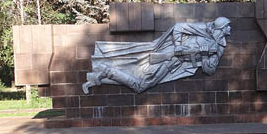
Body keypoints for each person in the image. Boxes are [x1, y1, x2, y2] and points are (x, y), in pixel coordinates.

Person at [82, 17, 231, 94]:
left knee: (140, 84)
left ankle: (102, 74)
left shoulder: (219, 46)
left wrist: (204, 55)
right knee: (140, 86)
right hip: (169, 57)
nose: (229, 29)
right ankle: (105, 71)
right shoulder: (203, 29)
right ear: (220, 28)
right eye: (227, 27)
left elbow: (210, 70)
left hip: (175, 65)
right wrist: (178, 45)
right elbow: (178, 27)